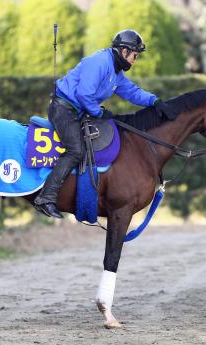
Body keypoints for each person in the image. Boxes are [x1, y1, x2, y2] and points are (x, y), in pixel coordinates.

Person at [34, 29, 167, 218]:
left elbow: (132, 92)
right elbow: (83, 94)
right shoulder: (99, 62)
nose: (134, 60)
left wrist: (155, 101)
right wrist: (99, 112)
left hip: (78, 112)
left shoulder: (116, 72)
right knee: (76, 151)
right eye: (134, 55)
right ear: (124, 51)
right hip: (63, 110)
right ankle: (45, 198)